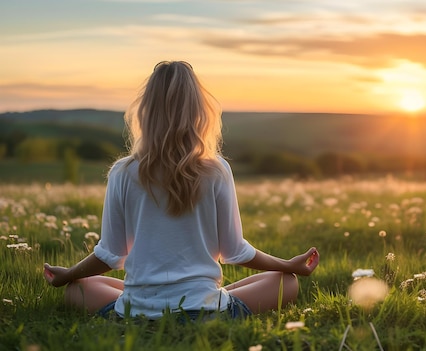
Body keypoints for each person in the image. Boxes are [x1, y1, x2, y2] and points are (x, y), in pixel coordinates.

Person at [43, 61, 319, 320]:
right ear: (199, 111)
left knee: (79, 286)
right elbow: (236, 252)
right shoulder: (216, 170)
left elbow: (110, 255)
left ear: (145, 112)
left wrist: (68, 275)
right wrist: (287, 266)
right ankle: (208, 302)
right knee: (286, 282)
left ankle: (152, 304)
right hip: (205, 309)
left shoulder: (123, 172)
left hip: (136, 312)